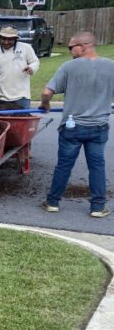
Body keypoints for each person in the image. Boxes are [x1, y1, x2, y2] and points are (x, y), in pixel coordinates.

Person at [40, 32, 114, 218]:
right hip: (99, 126)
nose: (70, 51)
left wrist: (45, 105)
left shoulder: (69, 67)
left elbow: (47, 92)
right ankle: (97, 207)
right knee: (97, 166)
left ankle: (52, 203)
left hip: (72, 127)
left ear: (84, 45)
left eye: (71, 47)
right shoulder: (111, 66)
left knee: (64, 165)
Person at [0, 26, 38, 111]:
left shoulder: (26, 48)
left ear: (16, 39)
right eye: (3, 39)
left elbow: (35, 61)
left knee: (21, 124)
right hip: (3, 99)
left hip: (22, 98)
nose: (6, 42)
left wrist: (31, 67)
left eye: (10, 39)